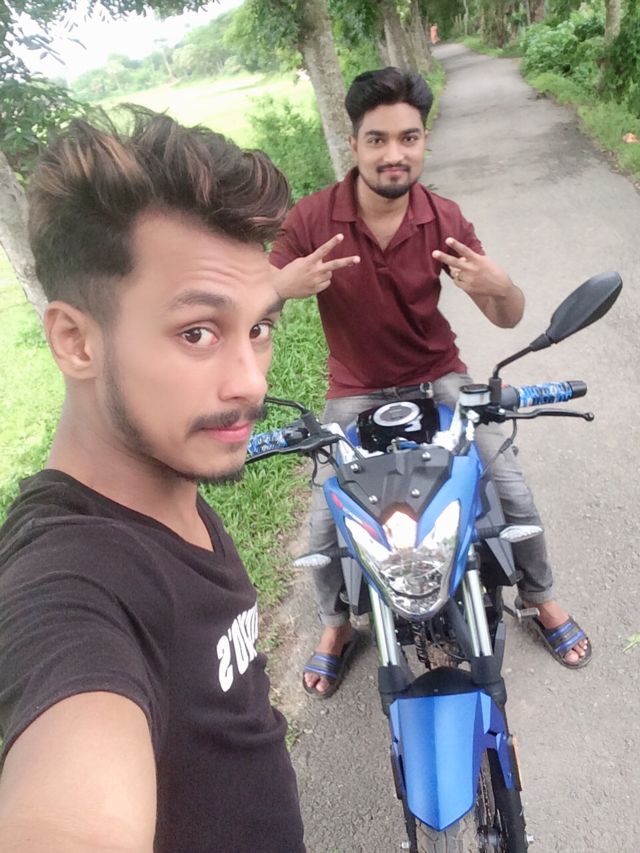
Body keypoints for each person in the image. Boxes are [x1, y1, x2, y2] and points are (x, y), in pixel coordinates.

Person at [0, 108, 306, 852]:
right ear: (75, 340)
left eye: (259, 328)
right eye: (197, 332)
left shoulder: (170, 480)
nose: (250, 381)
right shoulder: (71, 580)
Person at [269, 67, 591, 698]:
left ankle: (540, 596)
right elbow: (255, 305)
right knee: (327, 523)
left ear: (423, 142)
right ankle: (336, 625)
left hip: (440, 375)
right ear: (353, 143)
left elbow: (508, 315)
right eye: (378, 139)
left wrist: (500, 286)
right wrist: (281, 286)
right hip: (355, 388)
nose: (394, 154)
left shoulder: (443, 217)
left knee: (510, 490)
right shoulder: (313, 219)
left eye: (409, 138)